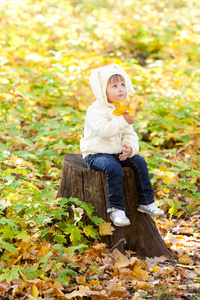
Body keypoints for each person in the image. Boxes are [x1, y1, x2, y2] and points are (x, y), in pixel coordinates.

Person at [80, 64, 164, 227]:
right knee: (113, 168)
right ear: (102, 89)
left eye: (122, 84)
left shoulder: (123, 108)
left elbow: (130, 134)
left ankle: (146, 202)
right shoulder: (96, 110)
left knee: (139, 162)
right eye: (114, 86)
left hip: (116, 153)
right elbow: (104, 130)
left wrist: (130, 148)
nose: (121, 89)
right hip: (96, 154)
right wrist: (123, 120)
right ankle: (116, 208)